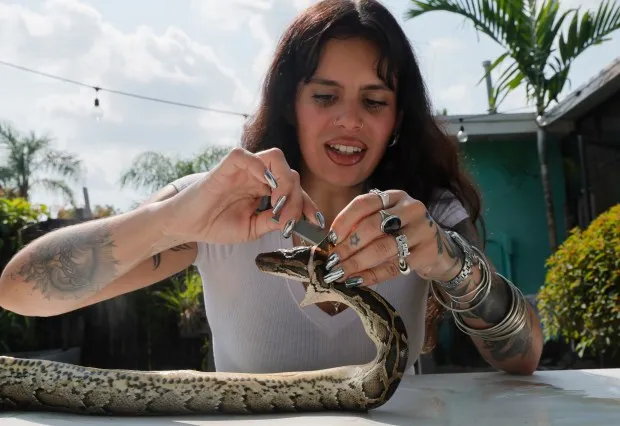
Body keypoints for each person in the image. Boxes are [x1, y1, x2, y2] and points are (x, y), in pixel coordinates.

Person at [0, 0, 542, 376]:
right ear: (290, 102)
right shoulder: (221, 209)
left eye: (374, 102)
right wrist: (176, 219)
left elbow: (523, 357)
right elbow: (19, 292)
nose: (349, 122)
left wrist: (449, 260)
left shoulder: (428, 213)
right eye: (324, 97)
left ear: (398, 117)